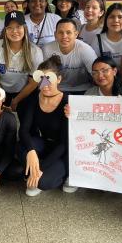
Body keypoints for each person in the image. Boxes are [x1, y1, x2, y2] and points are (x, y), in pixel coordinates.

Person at [63, 56, 122, 192]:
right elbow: (83, 126)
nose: (100, 75)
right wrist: (72, 115)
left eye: (104, 70)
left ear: (114, 71)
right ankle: (79, 176)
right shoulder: (89, 94)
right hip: (100, 140)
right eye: (95, 72)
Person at [20, 55, 69, 196]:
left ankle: (65, 175)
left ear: (59, 79)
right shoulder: (35, 98)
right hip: (44, 144)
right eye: (42, 79)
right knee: (21, 146)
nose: (45, 84)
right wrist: (31, 152)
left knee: (43, 182)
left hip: (62, 151)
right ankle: (33, 167)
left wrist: (39, 169)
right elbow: (24, 130)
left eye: (50, 79)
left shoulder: (67, 102)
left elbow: (64, 145)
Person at [0, 11, 43, 112]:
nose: (14, 31)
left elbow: (33, 83)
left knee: (27, 126)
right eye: (10, 28)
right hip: (1, 92)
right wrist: (2, 99)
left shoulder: (35, 51)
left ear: (24, 28)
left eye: (18, 27)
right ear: (5, 30)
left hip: (25, 92)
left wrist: (16, 101)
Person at [42, 19, 97, 94]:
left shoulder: (85, 49)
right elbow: (44, 76)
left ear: (76, 34)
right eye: (60, 32)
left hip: (81, 89)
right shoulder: (47, 49)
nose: (64, 36)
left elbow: (96, 73)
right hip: (56, 89)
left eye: (68, 32)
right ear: (55, 34)